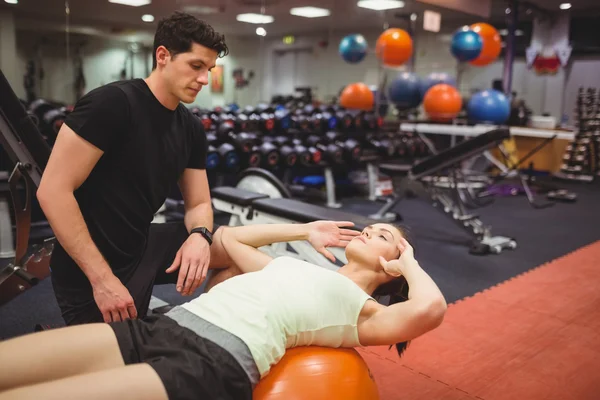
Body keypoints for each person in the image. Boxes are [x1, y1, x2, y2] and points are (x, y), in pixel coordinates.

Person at [0, 221, 447, 400]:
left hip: (210, 361)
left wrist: (408, 262)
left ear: (393, 265)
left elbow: (430, 308)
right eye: (372, 226)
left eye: (384, 234)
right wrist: (303, 230)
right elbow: (231, 239)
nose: (370, 229)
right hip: (159, 327)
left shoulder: (365, 313)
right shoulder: (289, 266)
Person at [36, 12, 230, 326]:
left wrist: (200, 236)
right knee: (115, 365)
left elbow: (199, 203)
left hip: (140, 246)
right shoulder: (112, 104)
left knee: (235, 250)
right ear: (163, 56)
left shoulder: (191, 128)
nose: (205, 80)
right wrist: (102, 280)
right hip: (92, 267)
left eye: (209, 69)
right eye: (196, 66)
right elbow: (52, 192)